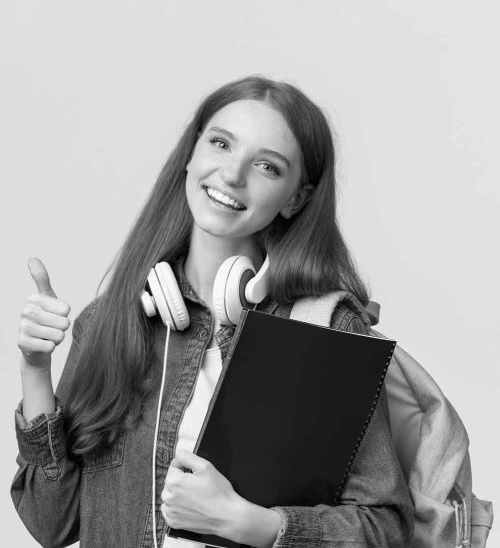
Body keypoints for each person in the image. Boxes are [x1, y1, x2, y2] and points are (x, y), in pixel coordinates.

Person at [12, 75, 414, 548]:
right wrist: (36, 370)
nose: (231, 174)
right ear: (192, 154)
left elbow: (387, 529)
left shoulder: (327, 332)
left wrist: (251, 525)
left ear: (296, 199)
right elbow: (50, 525)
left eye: (267, 166)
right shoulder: (110, 323)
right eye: (220, 144)